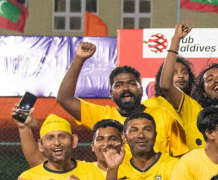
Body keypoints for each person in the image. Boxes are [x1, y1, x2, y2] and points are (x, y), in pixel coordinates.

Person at [56, 41, 188, 156]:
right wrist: (79, 58)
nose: (126, 88)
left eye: (131, 83)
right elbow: (64, 99)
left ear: (141, 89)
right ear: (111, 93)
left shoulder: (164, 116)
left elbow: (181, 158)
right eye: (118, 85)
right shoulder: (103, 117)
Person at [155, 22, 218, 149]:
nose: (216, 80)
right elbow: (166, 85)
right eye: (209, 79)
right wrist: (175, 40)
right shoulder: (192, 110)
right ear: (203, 91)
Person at [11, 113, 103, 180]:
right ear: (41, 145)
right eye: (50, 138)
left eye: (62, 136)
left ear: (74, 141)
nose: (57, 142)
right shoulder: (27, 177)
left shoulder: (93, 172)